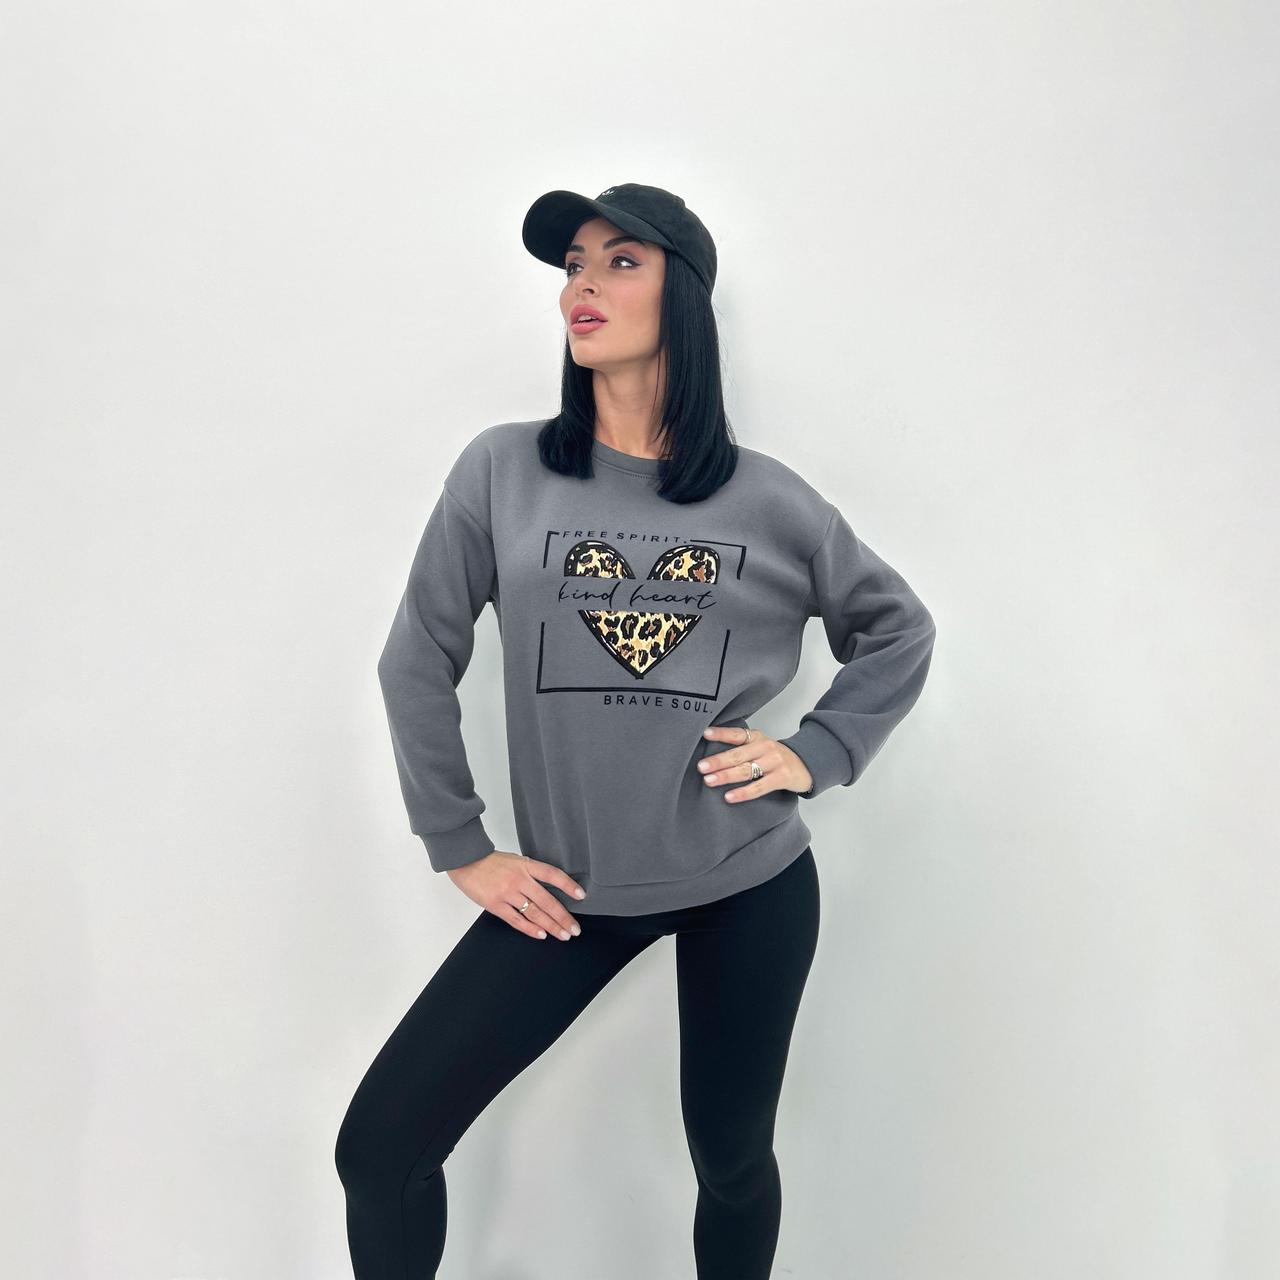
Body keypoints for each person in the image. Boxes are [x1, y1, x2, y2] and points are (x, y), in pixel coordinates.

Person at [334, 182, 937, 1278]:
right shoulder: (503, 471)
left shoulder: (767, 500)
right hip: (569, 893)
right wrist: (460, 843)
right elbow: (414, 657)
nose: (584, 286)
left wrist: (814, 753)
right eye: (574, 264)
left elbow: (897, 626)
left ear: (684, 298)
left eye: (621, 262)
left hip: (745, 883)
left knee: (731, 1161)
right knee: (379, 1149)